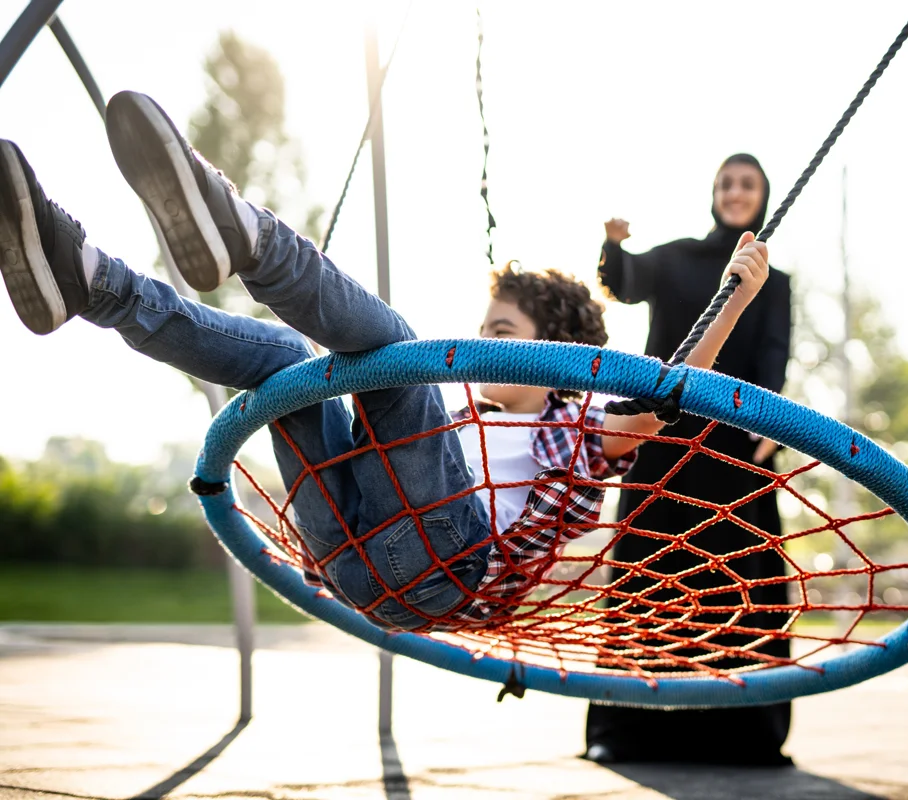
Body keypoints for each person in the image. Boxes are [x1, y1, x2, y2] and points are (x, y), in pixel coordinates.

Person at [0, 91, 770, 631]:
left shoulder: (577, 436)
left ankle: (254, 242)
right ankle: (96, 284)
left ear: (558, 358)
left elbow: (668, 398)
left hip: (446, 572)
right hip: (351, 555)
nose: (485, 345)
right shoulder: (466, 424)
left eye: (502, 331)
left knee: (400, 358)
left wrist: (731, 298)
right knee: (283, 364)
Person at [585, 154, 794, 765]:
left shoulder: (774, 281)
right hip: (664, 436)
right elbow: (625, 282)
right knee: (647, 568)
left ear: (763, 196)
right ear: (713, 194)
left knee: (744, 577)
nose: (735, 193)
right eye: (726, 183)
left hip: (737, 444)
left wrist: (773, 428)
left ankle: (746, 734)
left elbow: (776, 353)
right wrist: (613, 244)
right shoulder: (676, 256)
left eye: (747, 184)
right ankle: (625, 731)